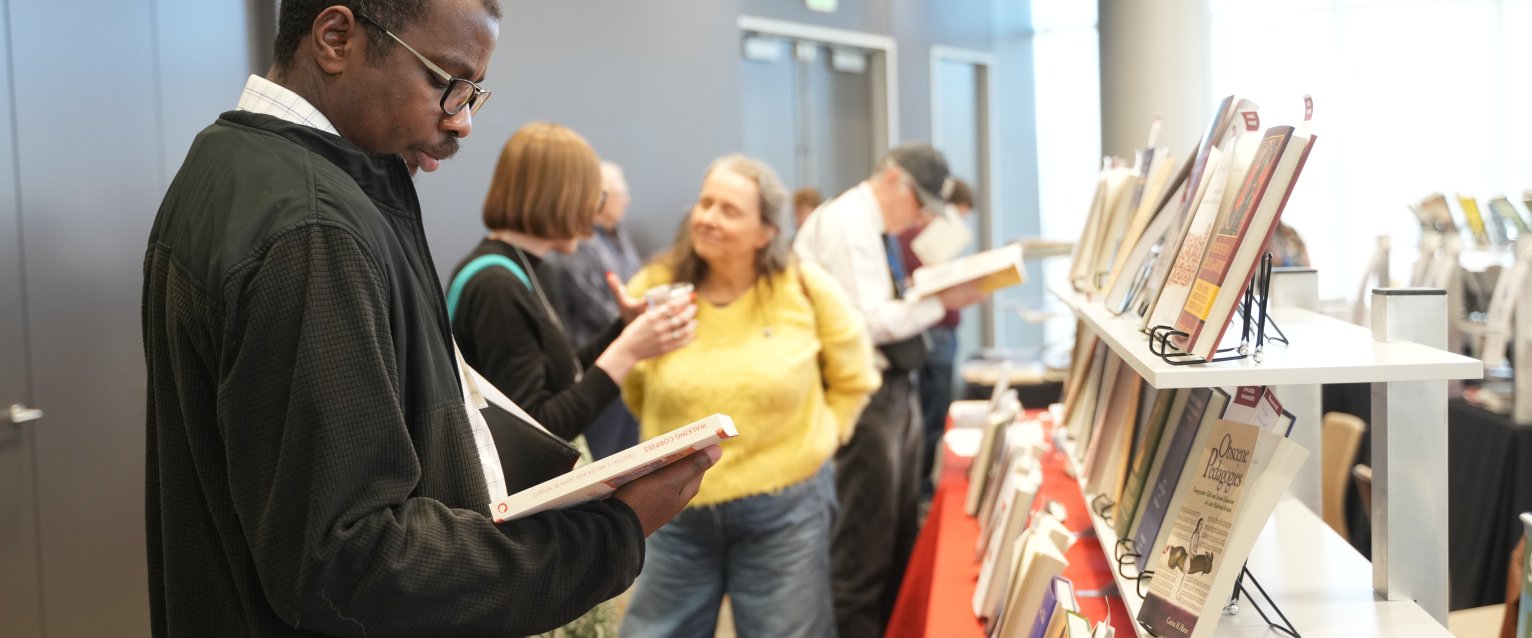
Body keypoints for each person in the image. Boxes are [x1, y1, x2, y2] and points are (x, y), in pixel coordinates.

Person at [141, 3, 717, 635]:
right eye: (446, 81)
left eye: (472, 93)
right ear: (335, 39)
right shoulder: (313, 229)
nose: (461, 121)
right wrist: (613, 532)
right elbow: (352, 562)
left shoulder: (228, 163)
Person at [619, 154, 880, 638]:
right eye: (705, 203)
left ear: (765, 233)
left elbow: (854, 376)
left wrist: (827, 437)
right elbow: (634, 383)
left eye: (729, 210)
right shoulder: (657, 287)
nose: (708, 218)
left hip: (787, 508)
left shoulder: (803, 287)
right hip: (672, 506)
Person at [794, 143, 987, 637]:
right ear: (894, 180)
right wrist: (942, 301)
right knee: (865, 547)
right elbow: (869, 322)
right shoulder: (848, 224)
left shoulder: (870, 225)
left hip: (890, 387)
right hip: (862, 392)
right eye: (920, 203)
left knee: (896, 534)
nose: (920, 218)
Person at [450, 123, 693, 465]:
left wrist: (623, 328)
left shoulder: (519, 269)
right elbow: (536, 429)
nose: (595, 212)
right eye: (595, 198)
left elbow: (560, 376)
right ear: (562, 197)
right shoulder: (496, 285)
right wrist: (627, 352)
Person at [540, 160, 645, 458]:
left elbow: (638, 282)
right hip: (594, 364)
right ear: (599, 199)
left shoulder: (618, 235)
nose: (627, 201)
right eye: (620, 195)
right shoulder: (578, 244)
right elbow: (596, 306)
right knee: (606, 455)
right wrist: (638, 325)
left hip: (625, 360)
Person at [897, 178, 975, 498]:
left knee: (930, 413)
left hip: (935, 328)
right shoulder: (913, 235)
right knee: (932, 415)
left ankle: (921, 489)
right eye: (960, 212)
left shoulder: (913, 234)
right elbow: (918, 283)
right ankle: (921, 491)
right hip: (933, 331)